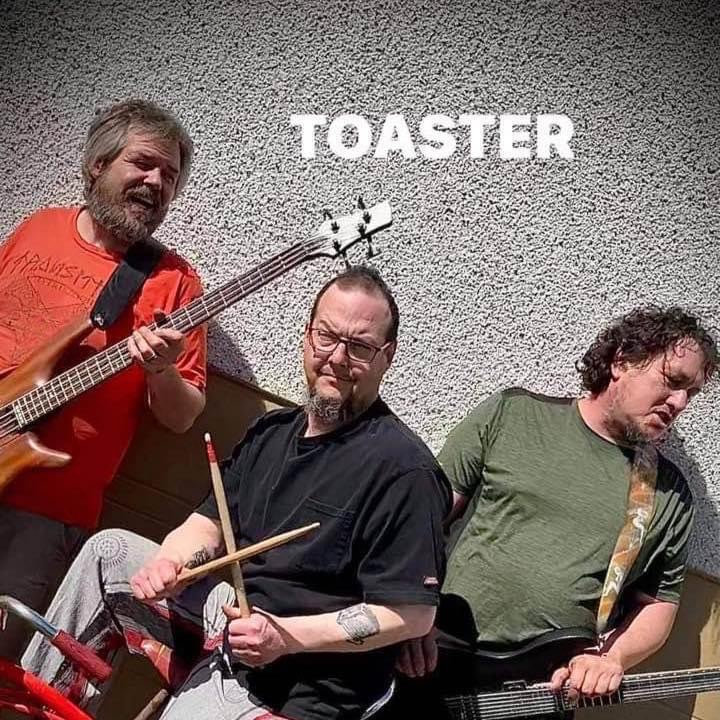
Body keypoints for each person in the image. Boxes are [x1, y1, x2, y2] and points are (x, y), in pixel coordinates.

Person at [22, 266, 451, 720]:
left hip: (302, 682)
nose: (337, 358)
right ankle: (35, 707)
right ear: (307, 336)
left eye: (360, 346)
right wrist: (173, 564)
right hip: (234, 619)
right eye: (327, 336)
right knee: (110, 554)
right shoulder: (271, 433)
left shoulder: (405, 470)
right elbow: (208, 524)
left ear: (388, 356)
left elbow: (411, 614)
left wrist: (285, 637)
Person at [387, 306, 718, 719]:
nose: (680, 402)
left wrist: (610, 659)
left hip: (541, 692)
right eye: (672, 381)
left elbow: (657, 604)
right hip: (435, 659)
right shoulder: (514, 415)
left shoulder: (667, 493)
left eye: (691, 394)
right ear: (622, 361)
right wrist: (407, 612)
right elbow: (422, 523)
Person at [0, 99, 207, 660]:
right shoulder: (39, 228)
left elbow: (183, 415)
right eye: (143, 163)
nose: (156, 181)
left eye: (170, 175)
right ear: (97, 165)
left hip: (44, 516)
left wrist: (160, 368)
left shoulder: (174, 282)